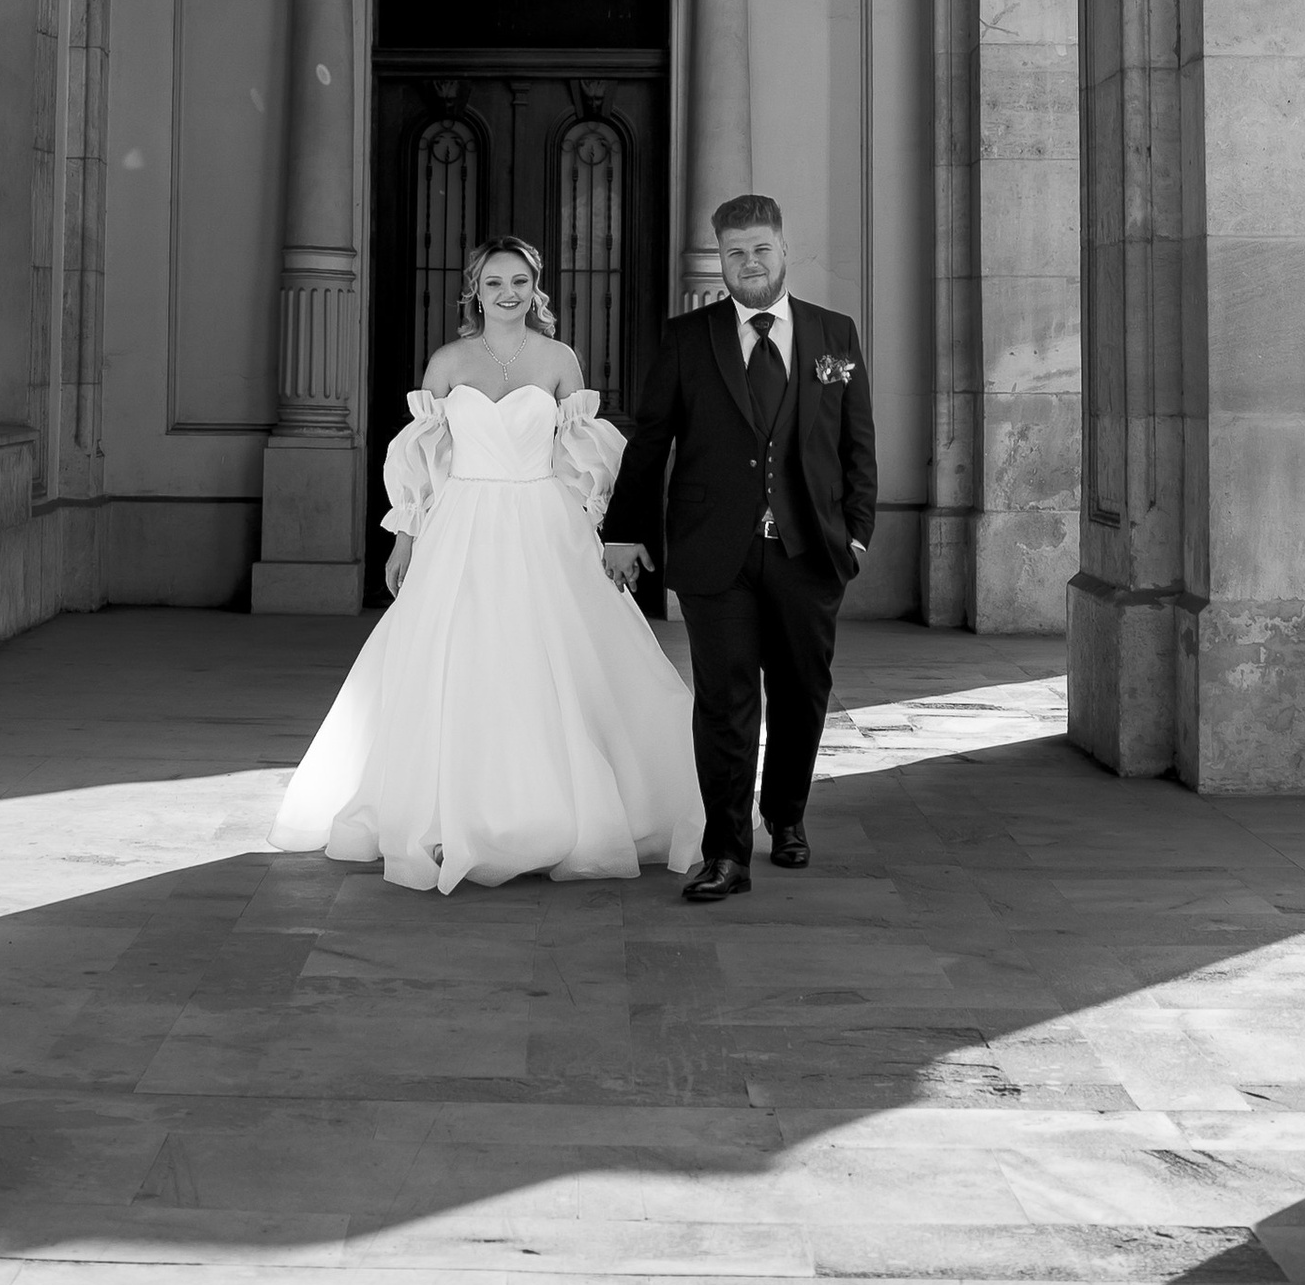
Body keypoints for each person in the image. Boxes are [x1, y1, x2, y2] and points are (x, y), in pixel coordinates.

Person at [271, 236, 704, 892]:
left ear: (537, 290)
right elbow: (425, 459)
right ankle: (453, 814)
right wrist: (406, 537)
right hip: (464, 525)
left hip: (543, 520)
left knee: (552, 659)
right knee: (460, 661)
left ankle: (560, 814)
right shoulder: (448, 361)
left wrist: (602, 532)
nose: (508, 294)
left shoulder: (559, 359)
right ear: (475, 289)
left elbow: (580, 455)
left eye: (521, 283)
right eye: (496, 282)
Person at [600, 192, 877, 902]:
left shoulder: (834, 335)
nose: (749, 264)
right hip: (713, 552)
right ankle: (725, 852)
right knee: (723, 701)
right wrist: (625, 531)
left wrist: (858, 532)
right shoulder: (687, 338)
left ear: (784, 249)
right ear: (719, 260)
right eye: (734, 253)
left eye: (760, 249)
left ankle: (786, 817)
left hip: (809, 550)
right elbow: (651, 438)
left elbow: (856, 444)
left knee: (801, 693)